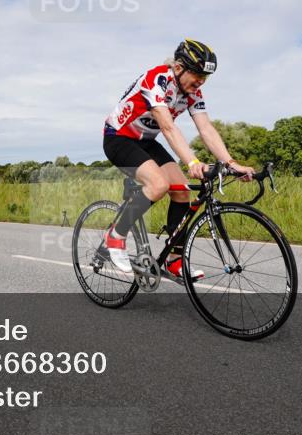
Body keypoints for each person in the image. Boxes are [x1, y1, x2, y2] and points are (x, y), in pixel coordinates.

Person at [102, 39, 256, 278]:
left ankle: (174, 260)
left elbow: (206, 129)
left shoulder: (193, 93)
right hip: (119, 138)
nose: (201, 81)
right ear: (178, 67)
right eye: (197, 74)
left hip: (146, 141)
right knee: (158, 184)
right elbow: (168, 127)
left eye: (205, 77)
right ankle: (115, 236)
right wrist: (192, 162)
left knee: (182, 190)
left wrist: (232, 163)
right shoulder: (156, 80)